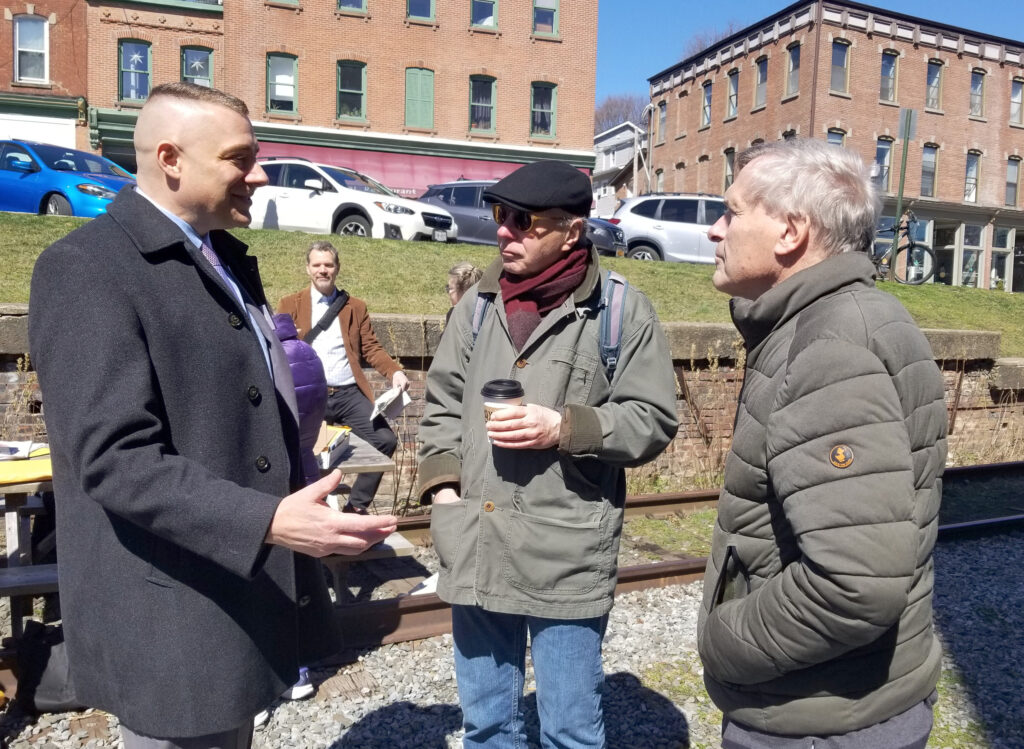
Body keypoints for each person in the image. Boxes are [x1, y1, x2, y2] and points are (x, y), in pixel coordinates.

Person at [28, 82, 397, 748]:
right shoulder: (85, 268)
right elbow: (114, 460)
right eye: (240, 158)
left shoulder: (221, 255)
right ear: (171, 158)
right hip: (171, 619)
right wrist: (270, 519)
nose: (258, 173)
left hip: (234, 596)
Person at [417, 159, 678, 748]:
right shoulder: (477, 306)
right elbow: (440, 406)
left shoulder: (619, 312)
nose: (503, 231)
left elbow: (654, 420)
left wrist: (563, 426)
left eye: (523, 220)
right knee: (487, 728)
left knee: (570, 733)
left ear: (572, 231)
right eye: (499, 216)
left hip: (566, 554)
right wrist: (444, 493)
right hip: (476, 544)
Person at [697, 138, 946, 749]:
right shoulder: (853, 316)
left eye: (731, 212)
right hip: (845, 705)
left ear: (790, 231)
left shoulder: (828, 347)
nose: (715, 230)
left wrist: (724, 640)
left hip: (817, 719)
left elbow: (855, 586)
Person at [278, 240, 409, 515]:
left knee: (385, 439)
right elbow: (278, 349)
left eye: (328, 264)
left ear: (337, 268)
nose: (323, 270)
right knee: (305, 453)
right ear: (307, 269)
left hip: (348, 393)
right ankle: (312, 511)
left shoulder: (354, 307)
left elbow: (371, 348)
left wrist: (394, 372)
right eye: (317, 265)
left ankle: (356, 508)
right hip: (311, 395)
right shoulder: (290, 304)